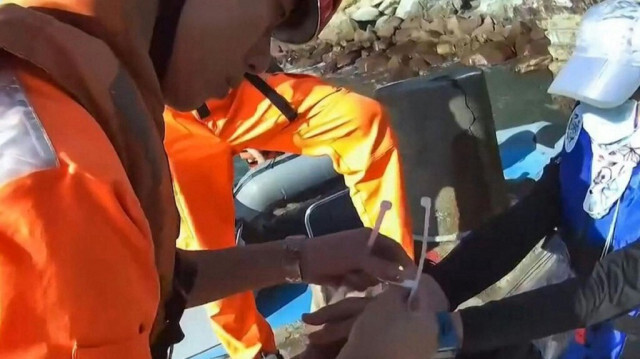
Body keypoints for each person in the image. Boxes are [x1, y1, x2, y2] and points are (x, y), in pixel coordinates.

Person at [0, 1, 416, 358]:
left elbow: (140, 287)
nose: (260, 58)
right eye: (271, 14)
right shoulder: (57, 175)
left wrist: (300, 258)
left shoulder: (57, 95)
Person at [297, 1, 640, 358]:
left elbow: (617, 284)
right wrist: (435, 289)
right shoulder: (592, 134)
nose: (600, 112)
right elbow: (533, 214)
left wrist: (446, 331)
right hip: (585, 322)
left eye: (625, 96)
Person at [164, 67, 414, 357]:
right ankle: (253, 352)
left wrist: (258, 72)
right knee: (205, 243)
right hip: (168, 120)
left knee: (361, 121)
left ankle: (398, 282)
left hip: (228, 90)